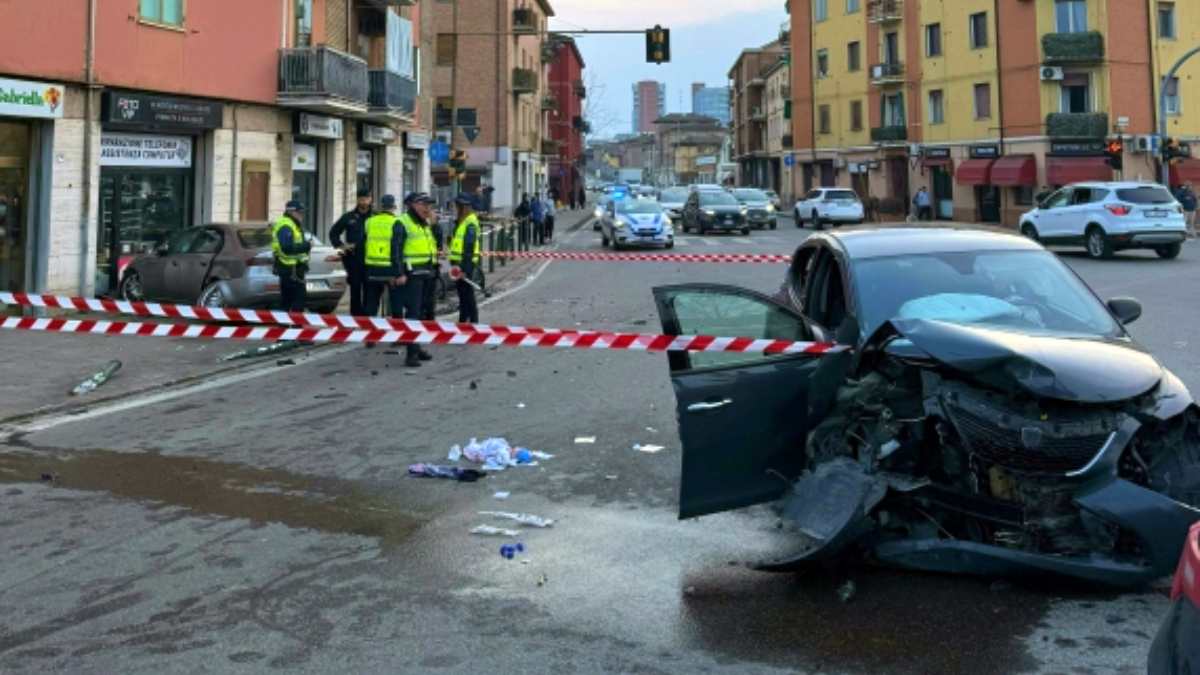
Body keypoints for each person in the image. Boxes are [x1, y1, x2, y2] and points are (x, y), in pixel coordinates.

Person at [329, 189, 373, 316]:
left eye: (366, 198)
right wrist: (341, 246)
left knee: (370, 290)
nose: (364, 201)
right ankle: (355, 318)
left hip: (371, 259)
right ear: (357, 199)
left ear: (371, 199)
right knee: (355, 288)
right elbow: (333, 233)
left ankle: (368, 318)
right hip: (353, 259)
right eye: (361, 198)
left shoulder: (375, 217)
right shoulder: (348, 217)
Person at [271, 200, 312, 312]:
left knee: (289, 302)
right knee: (296, 302)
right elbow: (287, 248)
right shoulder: (286, 225)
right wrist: (306, 246)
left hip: (294, 269)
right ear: (291, 212)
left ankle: (288, 327)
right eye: (300, 212)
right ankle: (294, 328)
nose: (302, 215)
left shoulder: (293, 224)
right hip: (290, 270)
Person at [449, 194, 481, 324]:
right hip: (459, 263)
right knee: (463, 294)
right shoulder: (463, 221)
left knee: (467, 294)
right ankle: (464, 319)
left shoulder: (470, 222)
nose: (456, 209)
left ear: (464, 207)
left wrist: (464, 269)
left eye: (457, 206)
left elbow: (469, 247)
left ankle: (473, 321)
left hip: (464, 263)